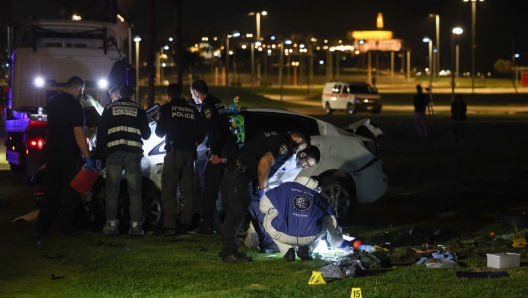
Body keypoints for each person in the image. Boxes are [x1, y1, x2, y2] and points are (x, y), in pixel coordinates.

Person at [221, 130, 309, 263]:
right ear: (299, 140)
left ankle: (268, 245)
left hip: (246, 174)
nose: (300, 151)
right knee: (236, 212)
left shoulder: (279, 137)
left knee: (258, 210)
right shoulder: (283, 145)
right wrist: (263, 187)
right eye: (303, 147)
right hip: (240, 173)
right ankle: (229, 252)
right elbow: (265, 162)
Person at [36, 76, 94, 237]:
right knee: (70, 192)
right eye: (81, 91)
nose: (81, 94)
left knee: (50, 192)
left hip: (53, 152)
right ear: (77, 89)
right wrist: (87, 155)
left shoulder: (53, 101)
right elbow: (78, 133)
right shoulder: (75, 106)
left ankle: (42, 228)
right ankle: (66, 228)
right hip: (69, 154)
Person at [95, 85, 151, 236]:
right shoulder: (139, 108)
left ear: (119, 95)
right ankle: (136, 227)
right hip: (133, 155)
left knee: (112, 191)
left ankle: (111, 226)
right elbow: (146, 135)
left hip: (113, 153)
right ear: (132, 95)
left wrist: (99, 155)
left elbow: (102, 133)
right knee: (135, 193)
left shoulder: (109, 108)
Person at [244, 146, 321, 251]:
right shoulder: (286, 157)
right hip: (262, 188)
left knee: (267, 217)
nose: (306, 167)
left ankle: (260, 240)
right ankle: (261, 241)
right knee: (261, 216)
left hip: (274, 193)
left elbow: (287, 183)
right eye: (307, 164)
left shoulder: (298, 166)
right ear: (303, 155)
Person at [260, 176, 351, 261]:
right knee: (326, 219)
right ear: (318, 187)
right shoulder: (318, 197)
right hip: (309, 237)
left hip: (280, 233)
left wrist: (281, 211)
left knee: (269, 216)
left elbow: (263, 206)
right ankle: (306, 249)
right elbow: (332, 219)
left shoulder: (285, 187)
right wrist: (338, 242)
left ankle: (287, 250)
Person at [155, 83, 205, 235]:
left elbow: (159, 133)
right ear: (182, 95)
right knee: (187, 190)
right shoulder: (193, 110)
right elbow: (203, 129)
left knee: (169, 189)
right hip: (190, 153)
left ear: (168, 96)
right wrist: (195, 141)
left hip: (174, 152)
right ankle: (185, 223)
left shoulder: (166, 109)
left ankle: (170, 225)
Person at [190, 80, 238, 235]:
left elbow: (215, 130)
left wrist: (215, 153)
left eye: (193, 94)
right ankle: (214, 224)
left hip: (220, 151)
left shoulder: (207, 106)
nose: (194, 98)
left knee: (209, 187)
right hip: (229, 148)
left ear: (196, 92)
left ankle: (206, 225)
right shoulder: (217, 102)